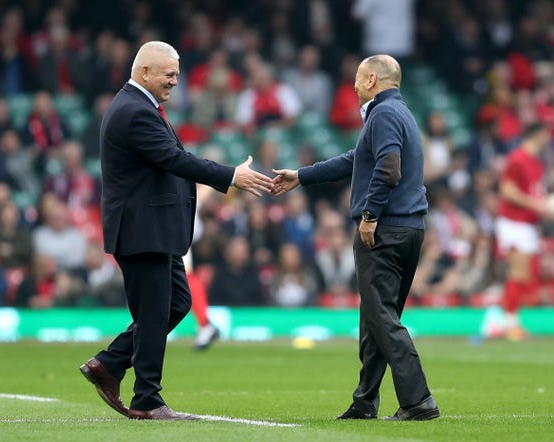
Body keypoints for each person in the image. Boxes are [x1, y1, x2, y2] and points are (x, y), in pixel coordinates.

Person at [79, 41, 273, 421]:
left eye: (177, 75)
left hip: (153, 230)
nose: (174, 81)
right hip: (142, 230)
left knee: (177, 303)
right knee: (154, 313)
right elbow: (173, 159)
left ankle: (109, 363)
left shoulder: (139, 107)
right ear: (145, 71)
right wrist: (231, 175)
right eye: (169, 74)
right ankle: (146, 399)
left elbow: (169, 160)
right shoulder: (135, 111)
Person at [272, 54, 439, 421]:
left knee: (381, 316)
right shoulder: (399, 113)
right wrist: (302, 175)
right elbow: (355, 160)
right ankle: (365, 401)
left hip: (385, 229)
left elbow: (388, 169)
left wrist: (369, 216)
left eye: (359, 78)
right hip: (407, 228)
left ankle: (418, 400)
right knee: (375, 317)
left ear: (373, 81)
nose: (353, 84)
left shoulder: (383, 115)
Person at [495, 122, 553, 340]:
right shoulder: (518, 158)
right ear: (537, 134)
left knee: (524, 274)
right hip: (513, 221)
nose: (548, 139)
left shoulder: (537, 162)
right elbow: (507, 190)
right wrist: (536, 205)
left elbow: (533, 192)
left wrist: (546, 207)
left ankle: (511, 321)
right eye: (546, 134)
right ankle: (510, 324)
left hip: (527, 223)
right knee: (517, 271)